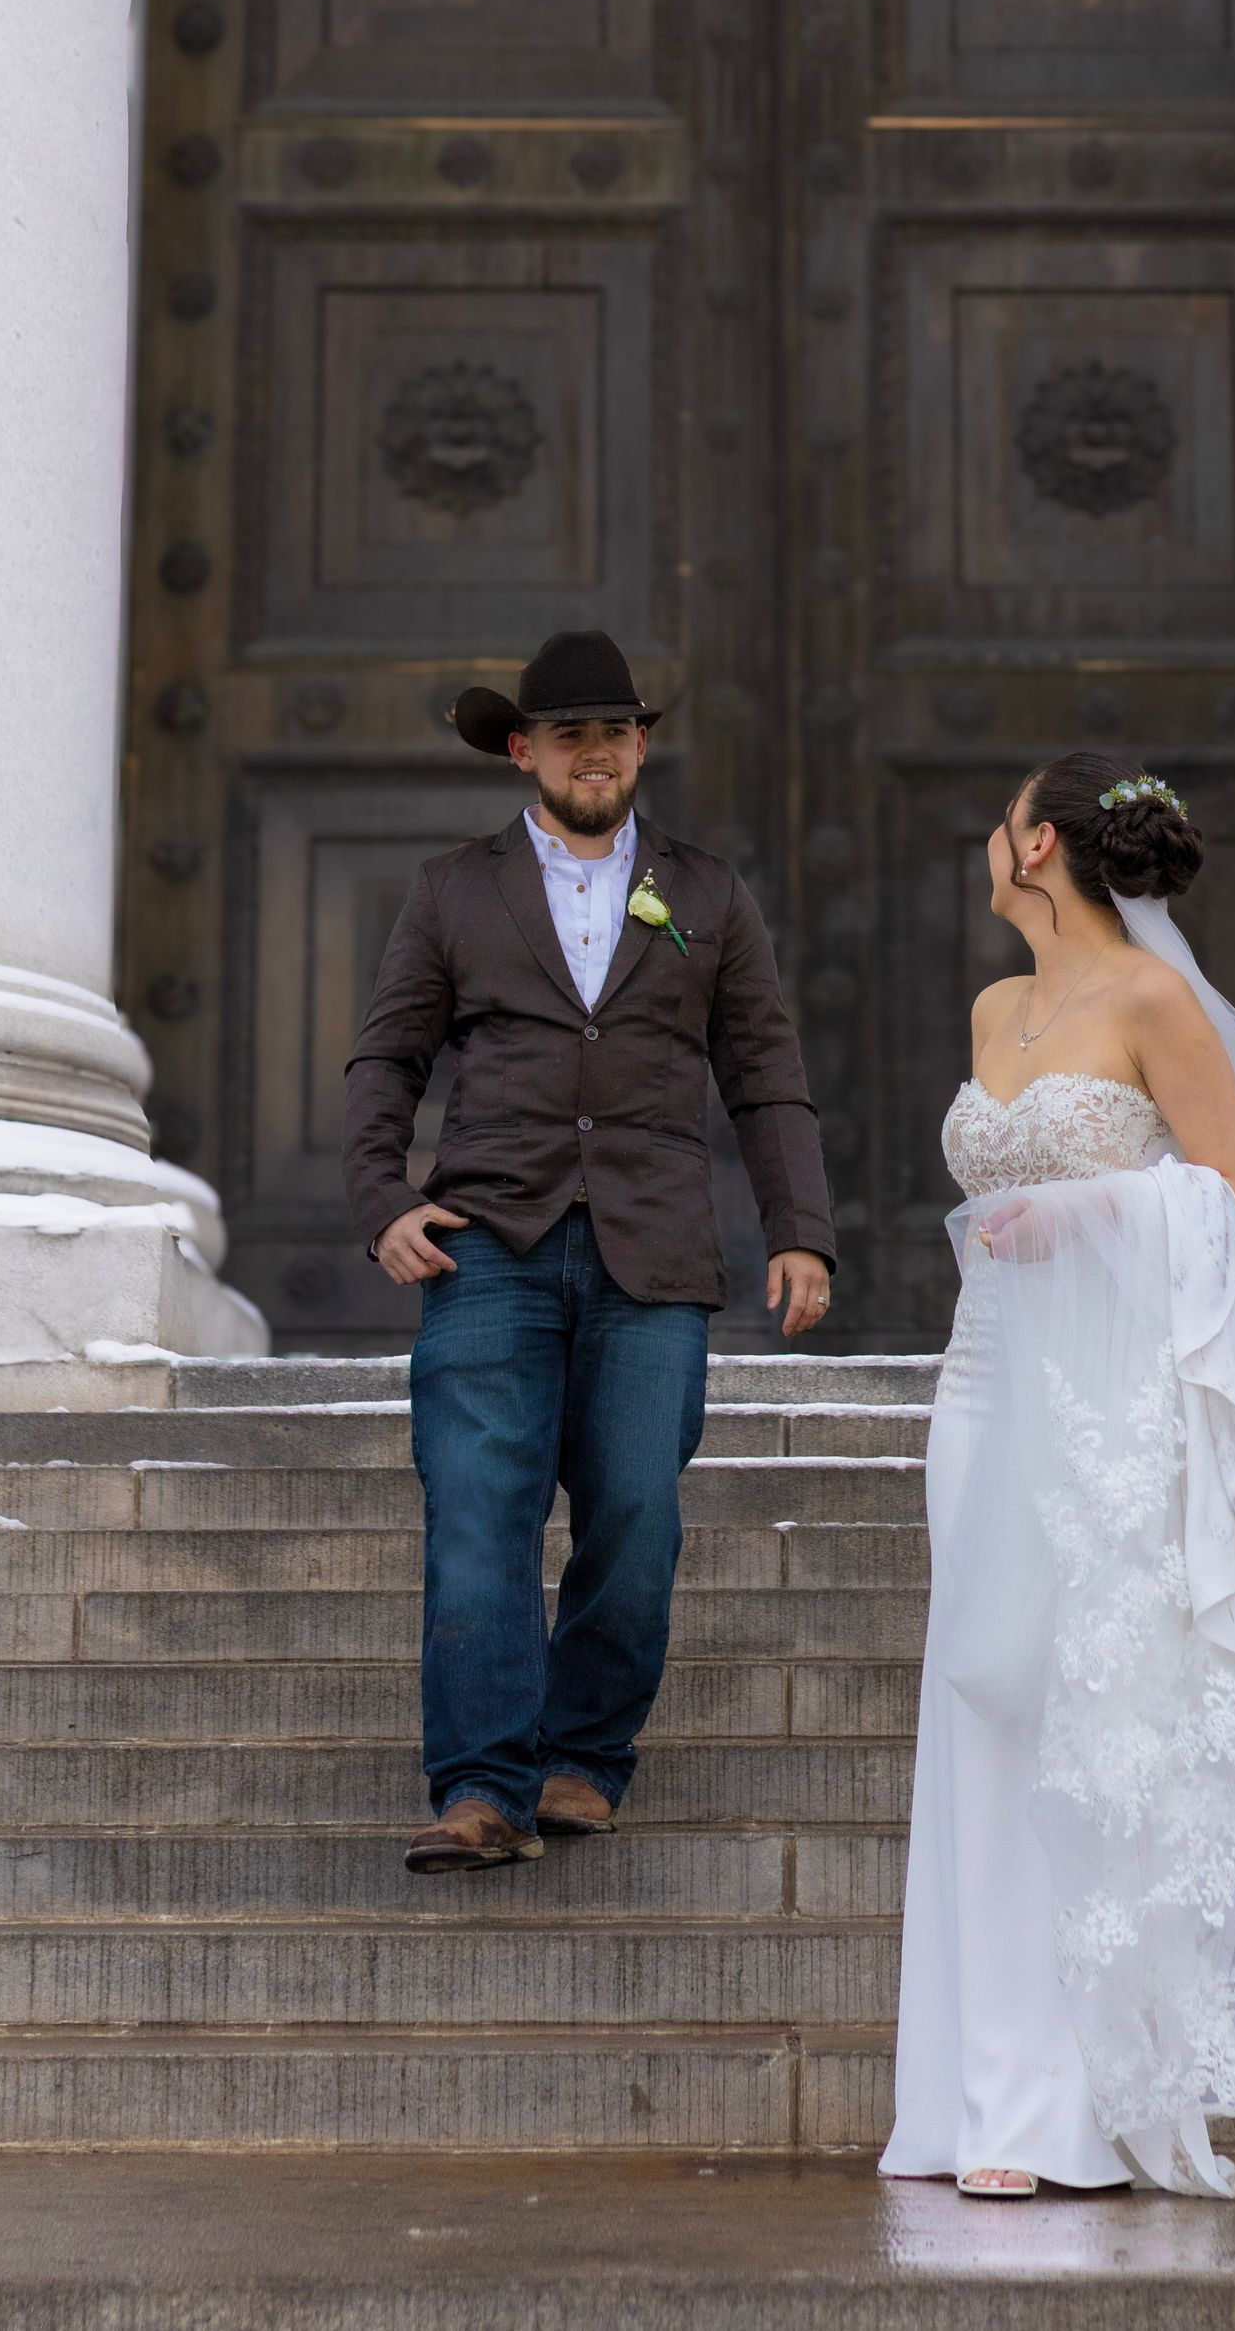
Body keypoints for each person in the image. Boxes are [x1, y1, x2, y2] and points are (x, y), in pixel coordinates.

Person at [343, 628, 835, 1873]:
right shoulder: (454, 888)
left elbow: (764, 1076)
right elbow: (388, 1057)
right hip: (488, 1248)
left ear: (642, 744)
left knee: (636, 1518)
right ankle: (481, 1787)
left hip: (653, 1256)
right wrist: (378, 1201)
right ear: (524, 751)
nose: (596, 752)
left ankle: (583, 1759)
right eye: (571, 734)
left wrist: (801, 1231)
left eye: (616, 731)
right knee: (477, 1516)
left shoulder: (707, 892)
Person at [878, 754, 1235, 2200]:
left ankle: (1075, 2099)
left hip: (1106, 1403)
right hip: (985, 1386)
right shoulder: (998, 1007)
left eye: (999, 820)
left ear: (1037, 841)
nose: (987, 842)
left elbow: (1234, 1197)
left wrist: (1083, 1204)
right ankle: (980, 2090)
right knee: (982, 1705)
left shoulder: (1153, 1000)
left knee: (1081, 1716)